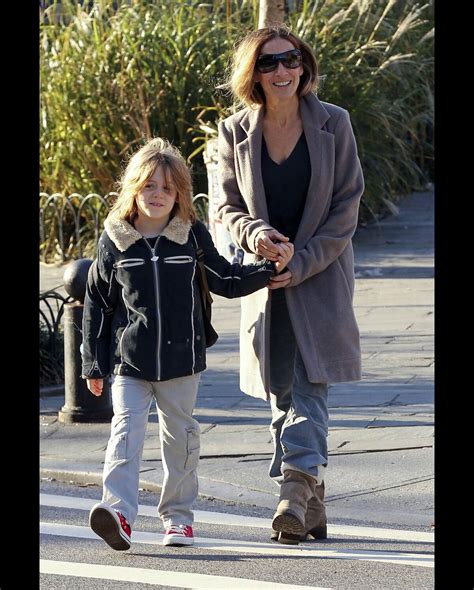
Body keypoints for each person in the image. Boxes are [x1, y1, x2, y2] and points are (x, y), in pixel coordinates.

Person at [81, 137, 293, 551]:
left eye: (166, 187)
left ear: (179, 192)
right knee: (125, 433)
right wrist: (93, 364)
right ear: (133, 189)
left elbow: (225, 279)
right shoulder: (115, 241)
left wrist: (267, 271)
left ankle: (178, 519)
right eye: (148, 186)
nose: (157, 195)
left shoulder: (190, 235)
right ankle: (118, 512)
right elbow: (98, 305)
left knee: (180, 440)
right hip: (130, 363)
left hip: (182, 361)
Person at [217, 26, 364, 544]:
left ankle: (293, 491)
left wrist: (301, 261)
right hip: (263, 281)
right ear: (252, 73)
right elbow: (225, 206)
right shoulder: (234, 131)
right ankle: (312, 505)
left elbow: (347, 207)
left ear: (304, 66)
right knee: (281, 389)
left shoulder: (334, 123)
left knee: (309, 386)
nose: (282, 71)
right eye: (268, 63)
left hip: (319, 278)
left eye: (290, 60)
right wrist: (256, 237)